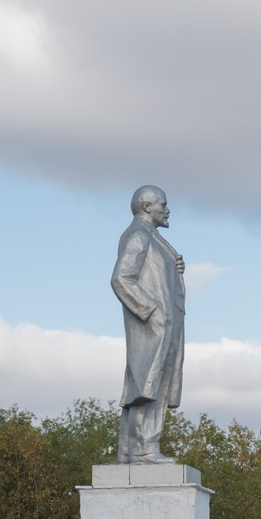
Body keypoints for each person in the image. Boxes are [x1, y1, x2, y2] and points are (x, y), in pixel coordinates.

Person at [110, 185, 185, 463]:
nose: (167, 210)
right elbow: (121, 278)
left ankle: (132, 450)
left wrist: (175, 270)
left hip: (163, 324)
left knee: (154, 385)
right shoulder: (139, 235)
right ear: (146, 207)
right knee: (146, 387)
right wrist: (151, 311)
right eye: (162, 204)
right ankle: (144, 449)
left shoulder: (153, 237)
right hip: (153, 325)